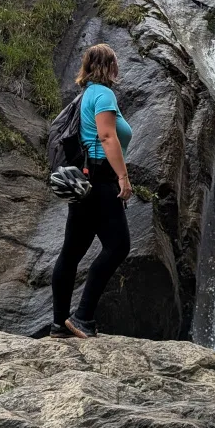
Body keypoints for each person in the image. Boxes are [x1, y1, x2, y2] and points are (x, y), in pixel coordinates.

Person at [51, 43, 133, 339]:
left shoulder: (85, 95)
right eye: (116, 62)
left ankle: (60, 323)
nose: (118, 68)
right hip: (100, 181)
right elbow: (107, 136)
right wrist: (123, 177)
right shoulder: (104, 94)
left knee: (71, 253)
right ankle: (82, 316)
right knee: (118, 246)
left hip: (85, 183)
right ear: (109, 66)